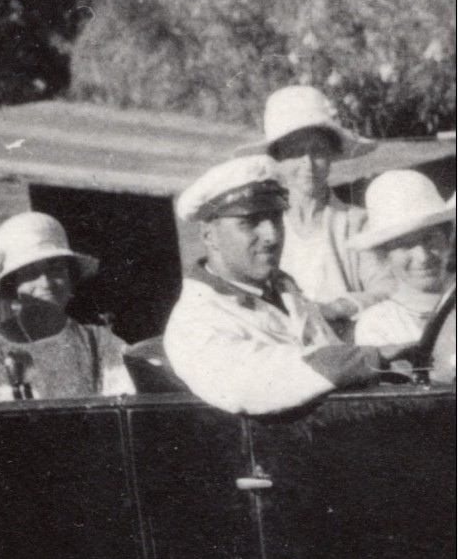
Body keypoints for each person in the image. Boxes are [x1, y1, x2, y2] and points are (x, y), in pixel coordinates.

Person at [163, 156, 410, 415]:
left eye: (276, 218)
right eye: (249, 223)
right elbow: (261, 380)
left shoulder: (285, 292)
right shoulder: (194, 323)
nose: (272, 235)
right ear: (208, 235)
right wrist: (372, 357)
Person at [238, 85, 394, 337]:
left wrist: (339, 307)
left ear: (332, 155)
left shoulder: (357, 223)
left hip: (348, 347)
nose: (307, 164)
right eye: (294, 152)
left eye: (318, 151)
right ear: (277, 159)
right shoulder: (264, 229)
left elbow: (388, 289)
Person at [0, 212, 135, 401]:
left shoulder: (97, 340)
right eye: (31, 272)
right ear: (12, 285)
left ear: (71, 276)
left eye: (56, 269)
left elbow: (122, 400)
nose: (46, 282)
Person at [351, 171, 455, 347]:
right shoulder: (379, 325)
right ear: (385, 254)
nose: (423, 256)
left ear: (447, 237)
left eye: (430, 239)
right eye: (405, 245)